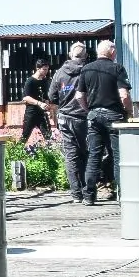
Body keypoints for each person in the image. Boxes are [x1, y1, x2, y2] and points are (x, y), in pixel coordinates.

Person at [75, 39, 131, 205]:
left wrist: (88, 110)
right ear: (112, 52)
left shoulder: (86, 69)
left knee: (94, 155)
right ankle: (124, 195)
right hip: (114, 116)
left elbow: (79, 96)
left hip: (94, 116)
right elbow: (124, 95)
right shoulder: (117, 68)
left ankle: (89, 195)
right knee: (117, 156)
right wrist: (129, 111)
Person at [48, 42, 89, 202]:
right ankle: (87, 190)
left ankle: (75, 193)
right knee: (86, 153)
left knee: (71, 155)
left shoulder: (59, 73)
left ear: (70, 54)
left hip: (65, 117)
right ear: (85, 55)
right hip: (84, 117)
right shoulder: (88, 70)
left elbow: (52, 96)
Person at [20, 58, 53, 150]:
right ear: (38, 69)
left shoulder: (45, 81)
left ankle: (51, 155)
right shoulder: (30, 81)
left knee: (48, 135)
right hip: (31, 113)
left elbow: (46, 96)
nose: (46, 71)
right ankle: (16, 153)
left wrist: (47, 105)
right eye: (44, 69)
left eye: (47, 69)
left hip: (42, 113)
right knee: (25, 135)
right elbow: (26, 98)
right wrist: (39, 103)